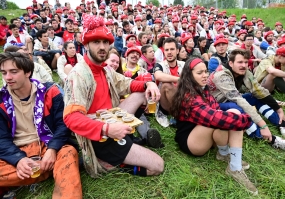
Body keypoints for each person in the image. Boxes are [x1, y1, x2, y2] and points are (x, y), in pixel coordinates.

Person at [63, 14, 164, 177]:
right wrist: (107, 129)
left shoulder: (105, 69)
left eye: (105, 42)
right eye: (96, 42)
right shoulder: (79, 75)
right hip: (99, 136)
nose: (102, 47)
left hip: (111, 119)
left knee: (140, 93)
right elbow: (71, 118)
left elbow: (128, 83)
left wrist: (149, 84)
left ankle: (125, 144)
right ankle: (117, 164)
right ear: (86, 44)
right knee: (158, 165)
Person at [170, 57, 258, 195]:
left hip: (203, 132)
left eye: (205, 71)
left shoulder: (202, 89)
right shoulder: (189, 97)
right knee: (232, 119)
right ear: (189, 76)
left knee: (233, 115)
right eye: (200, 73)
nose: (205, 75)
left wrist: (238, 117)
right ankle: (234, 167)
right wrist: (246, 121)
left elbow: (216, 108)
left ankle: (225, 155)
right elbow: (213, 118)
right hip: (191, 141)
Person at [0, 52, 82, 198]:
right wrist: (18, 159)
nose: (7, 78)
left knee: (68, 153)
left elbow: (63, 126)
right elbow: (1, 140)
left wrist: (52, 149)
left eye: (13, 72)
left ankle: (34, 173)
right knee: (66, 164)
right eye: (4, 73)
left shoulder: (50, 92)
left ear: (28, 72)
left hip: (46, 145)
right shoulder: (1, 100)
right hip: (16, 149)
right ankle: (48, 170)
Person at [208, 49, 285, 152]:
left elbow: (258, 90)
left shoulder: (244, 71)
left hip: (231, 99)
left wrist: (278, 109)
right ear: (231, 63)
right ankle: (271, 139)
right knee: (239, 109)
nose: (243, 65)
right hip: (216, 104)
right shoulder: (221, 75)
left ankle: (283, 125)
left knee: (254, 96)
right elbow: (238, 100)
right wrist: (263, 125)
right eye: (240, 62)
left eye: (246, 62)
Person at [154, 37, 185, 127]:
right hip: (166, 103)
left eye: (172, 49)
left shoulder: (183, 65)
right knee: (167, 85)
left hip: (182, 98)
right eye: (166, 50)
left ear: (177, 51)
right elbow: (158, 76)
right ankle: (178, 116)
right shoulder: (159, 64)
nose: (169, 52)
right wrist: (179, 79)